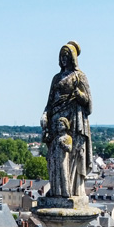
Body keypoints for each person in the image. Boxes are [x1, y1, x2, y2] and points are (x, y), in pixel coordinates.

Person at [41, 41, 92, 199]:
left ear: (73, 58)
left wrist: (79, 94)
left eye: (67, 56)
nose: (64, 59)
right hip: (57, 119)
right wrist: (44, 116)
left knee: (72, 153)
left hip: (74, 119)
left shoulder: (79, 76)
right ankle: (57, 188)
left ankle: (73, 188)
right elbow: (49, 103)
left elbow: (89, 104)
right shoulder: (56, 78)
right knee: (56, 155)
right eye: (62, 56)